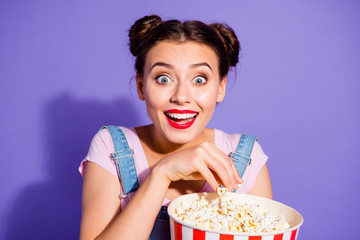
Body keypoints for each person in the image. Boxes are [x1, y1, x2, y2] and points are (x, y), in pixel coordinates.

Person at [78, 15, 272, 240]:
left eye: (199, 80)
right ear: (141, 86)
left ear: (220, 88)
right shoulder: (112, 147)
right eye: (163, 79)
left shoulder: (245, 157)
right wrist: (162, 173)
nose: (181, 97)